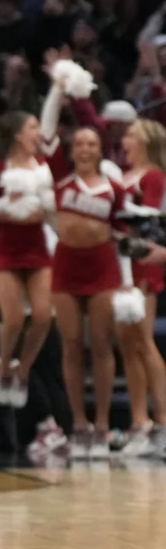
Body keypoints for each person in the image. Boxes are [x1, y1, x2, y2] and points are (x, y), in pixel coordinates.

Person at [0, 77, 70, 410]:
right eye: (32, 127)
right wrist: (6, 204)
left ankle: (22, 370)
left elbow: (52, 211)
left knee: (42, 316)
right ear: (18, 134)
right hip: (7, 247)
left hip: (37, 245)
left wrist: (54, 219)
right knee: (13, 319)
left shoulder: (43, 169)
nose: (38, 132)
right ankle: (2, 366)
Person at [49, 128, 127, 460]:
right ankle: (79, 424)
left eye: (91, 144)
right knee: (70, 346)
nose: (85, 149)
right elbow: (48, 136)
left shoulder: (114, 189)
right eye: (79, 143)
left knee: (101, 343)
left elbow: (123, 233)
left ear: (100, 150)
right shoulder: (60, 183)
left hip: (102, 268)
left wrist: (126, 279)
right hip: (66, 267)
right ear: (72, 150)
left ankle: (102, 424)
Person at [118, 119, 166, 457]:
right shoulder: (122, 176)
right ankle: (139, 420)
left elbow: (148, 218)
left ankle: (162, 419)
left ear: (147, 141)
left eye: (133, 135)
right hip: (120, 265)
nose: (126, 140)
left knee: (143, 340)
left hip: (142, 261)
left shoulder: (153, 176)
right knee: (127, 345)